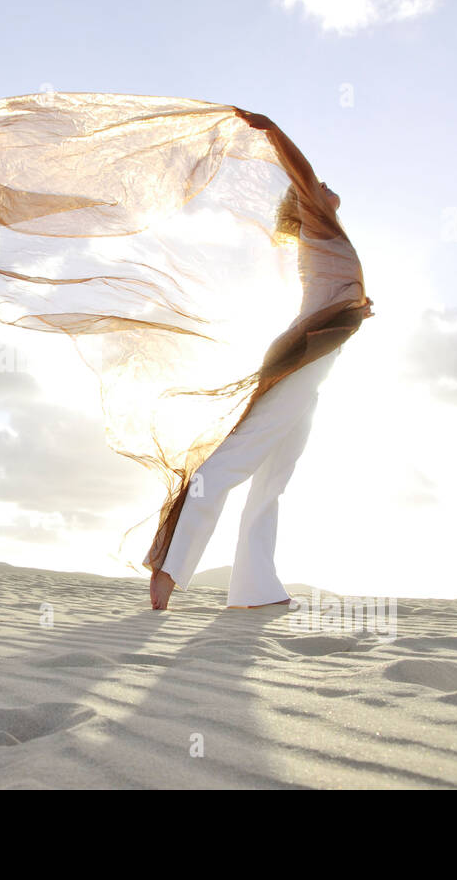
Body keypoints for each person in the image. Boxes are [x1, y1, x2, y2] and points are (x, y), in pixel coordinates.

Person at [148, 181, 372, 610]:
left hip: (316, 358)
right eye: (314, 184)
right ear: (305, 203)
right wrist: (268, 129)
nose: (323, 183)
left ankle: (255, 589)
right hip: (300, 356)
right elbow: (303, 177)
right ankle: (168, 567)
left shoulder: (331, 237)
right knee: (238, 458)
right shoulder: (318, 230)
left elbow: (332, 294)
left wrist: (355, 309)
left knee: (274, 479)